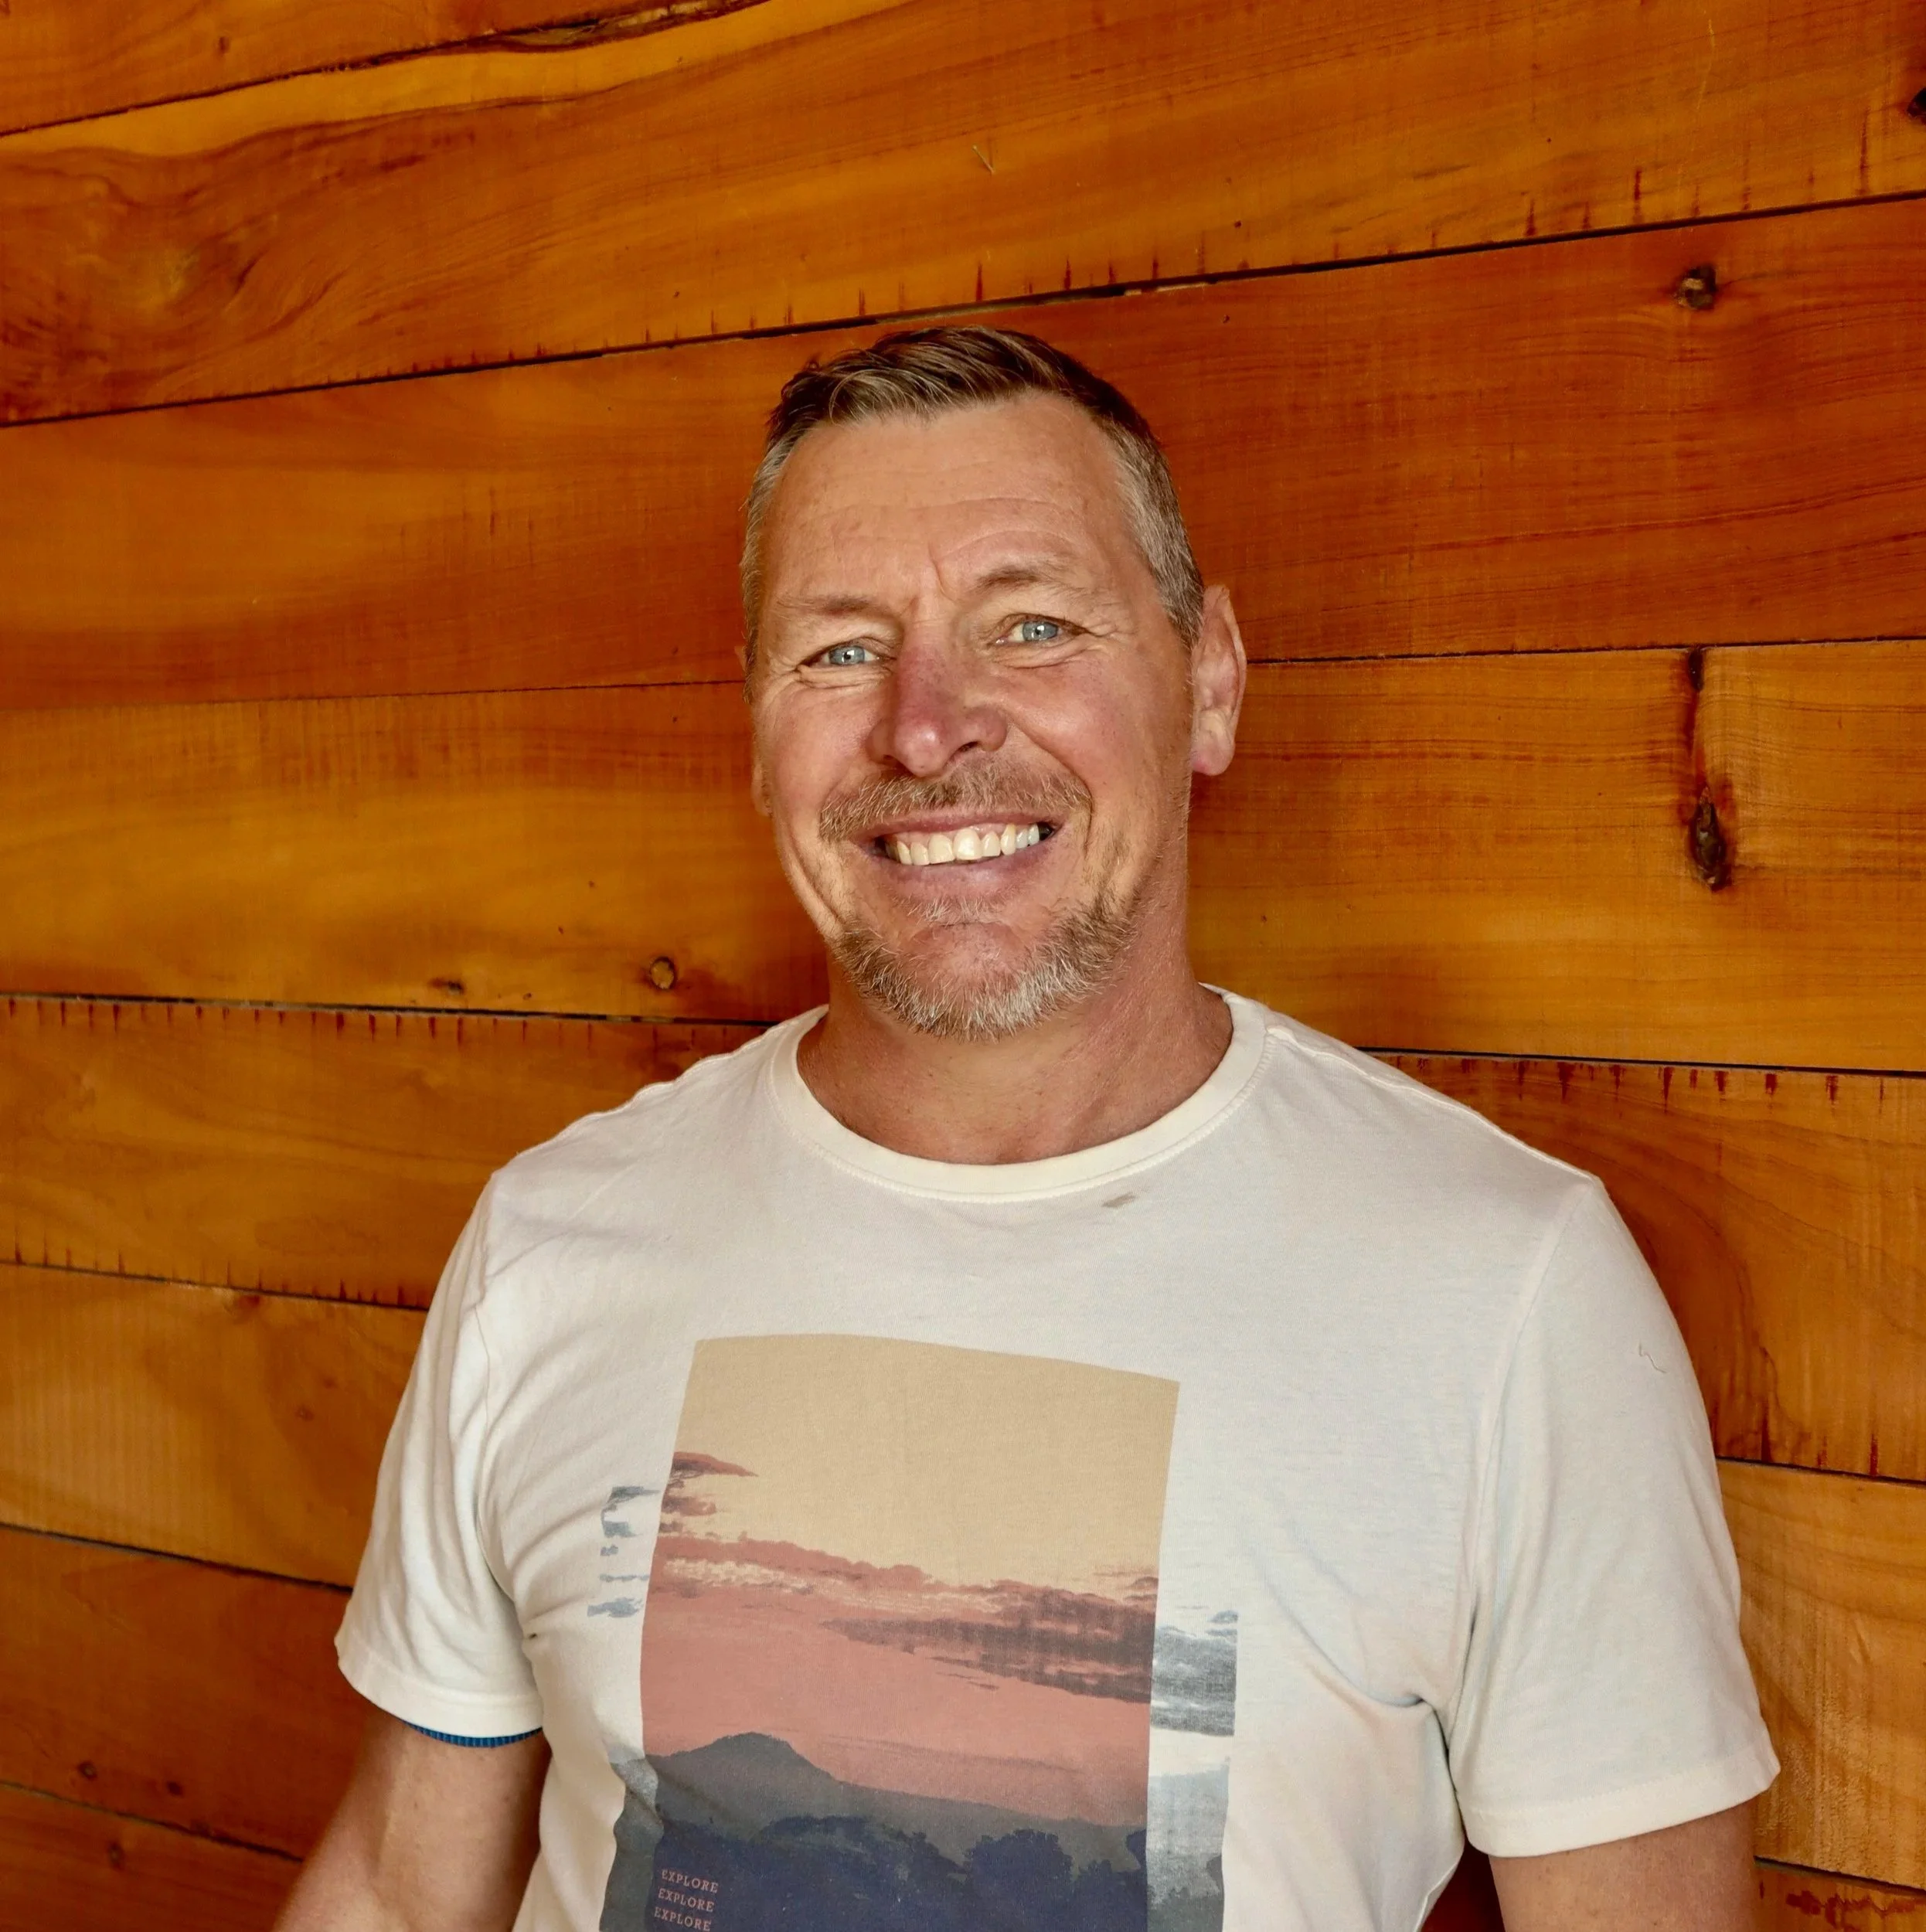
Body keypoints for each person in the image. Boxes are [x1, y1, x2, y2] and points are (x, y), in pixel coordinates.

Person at [277, 327, 1775, 1932]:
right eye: (838, 650)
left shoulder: (1505, 1292)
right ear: (753, 724)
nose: (926, 727)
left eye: (1032, 623)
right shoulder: (551, 1242)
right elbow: (394, 1884)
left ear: (1207, 682)